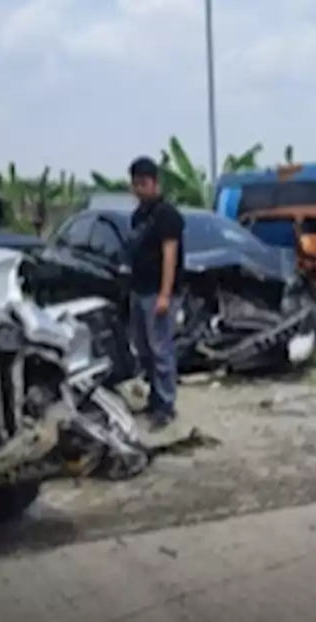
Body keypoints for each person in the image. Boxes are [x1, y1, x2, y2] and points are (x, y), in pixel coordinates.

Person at [127, 156, 184, 431]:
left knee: (161, 349)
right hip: (139, 291)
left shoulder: (166, 215)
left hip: (157, 294)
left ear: (155, 183)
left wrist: (165, 294)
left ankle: (167, 404)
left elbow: (169, 255)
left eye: (144, 183)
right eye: (135, 184)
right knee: (144, 350)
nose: (139, 189)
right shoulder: (138, 216)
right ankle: (154, 397)